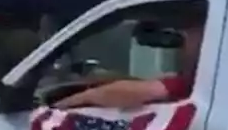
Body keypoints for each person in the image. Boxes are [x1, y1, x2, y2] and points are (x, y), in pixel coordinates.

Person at [55, 23, 202, 110]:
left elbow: (131, 92)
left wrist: (79, 99)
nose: (183, 44)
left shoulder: (192, 84)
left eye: (188, 36)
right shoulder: (203, 83)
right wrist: (107, 76)